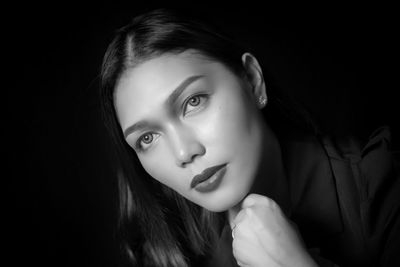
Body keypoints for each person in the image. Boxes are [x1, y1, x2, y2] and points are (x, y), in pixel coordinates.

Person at [99, 8, 399, 267]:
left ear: (253, 82)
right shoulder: (168, 250)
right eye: (148, 138)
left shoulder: (381, 181)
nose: (182, 153)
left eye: (194, 102)